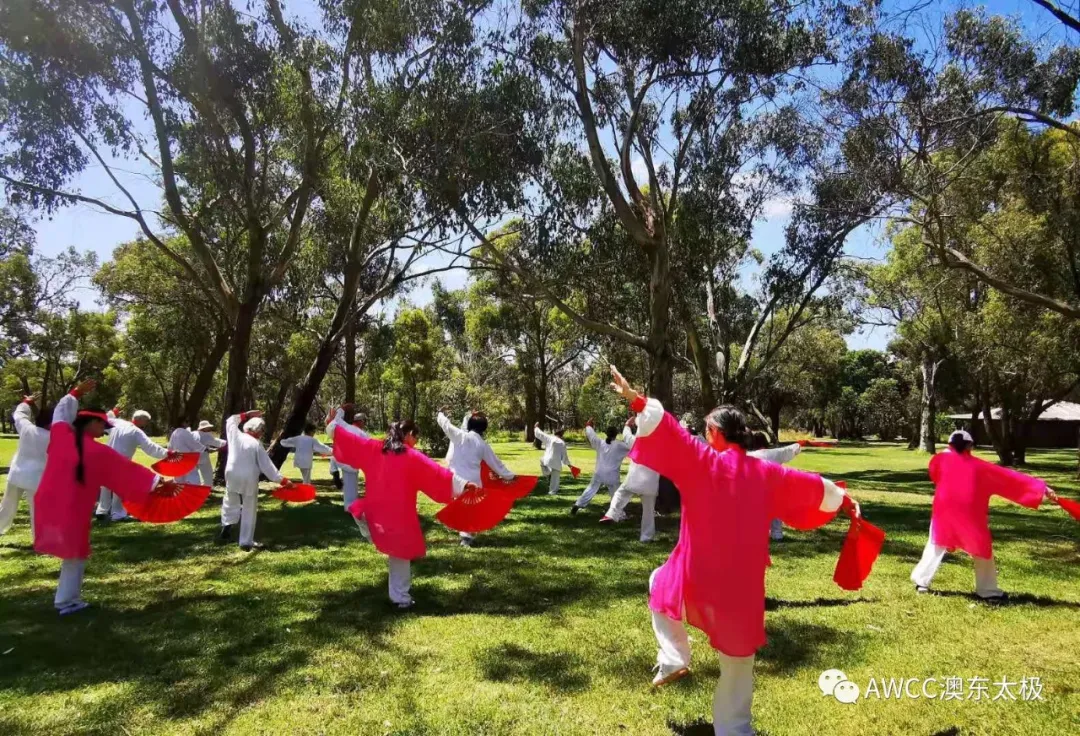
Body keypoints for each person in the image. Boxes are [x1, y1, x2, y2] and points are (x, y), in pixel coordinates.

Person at [607, 365, 856, 736]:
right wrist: (844, 500)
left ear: (715, 434)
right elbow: (814, 488)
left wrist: (636, 399)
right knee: (738, 662)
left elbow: (668, 430)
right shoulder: (768, 473)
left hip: (697, 574)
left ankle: (674, 657)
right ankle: (735, 729)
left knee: (660, 582)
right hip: (742, 584)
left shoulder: (701, 461)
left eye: (707, 430)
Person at [33, 379, 171, 614]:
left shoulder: (61, 434)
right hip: (73, 505)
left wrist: (74, 393)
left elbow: (60, 413)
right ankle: (67, 601)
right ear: (91, 423)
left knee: (71, 551)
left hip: (47, 500)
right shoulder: (97, 451)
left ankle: (66, 599)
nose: (104, 430)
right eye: (101, 425)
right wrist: (158, 482)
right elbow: (127, 471)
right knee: (75, 552)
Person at [329, 415, 477, 608]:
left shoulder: (374, 448)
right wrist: (464, 485)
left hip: (374, 514)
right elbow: (437, 474)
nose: (416, 441)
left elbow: (352, 441)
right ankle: (401, 599)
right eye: (415, 437)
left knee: (392, 548)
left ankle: (398, 593)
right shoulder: (410, 457)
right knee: (400, 554)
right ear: (407, 434)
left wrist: (332, 427)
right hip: (398, 517)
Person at [911, 430, 1055, 602]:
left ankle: (922, 582)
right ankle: (988, 591)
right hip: (970, 514)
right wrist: (1041, 488)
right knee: (981, 549)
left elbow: (935, 475)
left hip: (944, 510)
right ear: (968, 446)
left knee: (936, 543)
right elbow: (1009, 478)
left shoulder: (939, 459)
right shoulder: (979, 466)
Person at [438, 408, 515, 547]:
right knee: (469, 510)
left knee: (462, 508)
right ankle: (466, 535)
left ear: (469, 426)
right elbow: (496, 464)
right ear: (484, 429)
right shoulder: (483, 445)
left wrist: (440, 414)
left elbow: (446, 425)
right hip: (474, 483)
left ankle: (465, 534)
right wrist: (510, 476)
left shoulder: (460, 436)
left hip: (456, 481)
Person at [218, 410, 292, 551]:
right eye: (262, 432)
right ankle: (246, 541)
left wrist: (247, 414)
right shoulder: (255, 444)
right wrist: (283, 481)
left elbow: (230, 421)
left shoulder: (235, 435)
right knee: (249, 507)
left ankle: (226, 526)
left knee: (230, 499)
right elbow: (267, 467)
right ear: (259, 431)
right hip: (248, 476)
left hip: (231, 474)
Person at [96, 407, 171, 522]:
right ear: (141, 420)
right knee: (120, 487)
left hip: (106, 459)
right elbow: (150, 448)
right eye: (146, 421)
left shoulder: (118, 423)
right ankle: (118, 514)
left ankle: (102, 511)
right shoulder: (136, 431)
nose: (146, 424)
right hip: (121, 462)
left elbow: (106, 418)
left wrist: (113, 411)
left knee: (106, 485)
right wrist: (167, 454)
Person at [0, 394, 52, 541]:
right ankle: (40, 540)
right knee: (37, 511)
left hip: (17, 474)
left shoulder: (27, 428)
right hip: (36, 479)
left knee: (7, 505)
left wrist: (26, 403)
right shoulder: (54, 437)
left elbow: (19, 415)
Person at [599, 417, 659, 541]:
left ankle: (611, 514)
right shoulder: (661, 445)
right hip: (651, 483)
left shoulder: (636, 441)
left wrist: (627, 424)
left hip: (634, 479)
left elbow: (626, 436)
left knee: (620, 494)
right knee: (648, 511)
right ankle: (646, 537)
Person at [748, 432, 804, 541]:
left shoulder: (750, 455)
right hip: (774, 488)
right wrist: (799, 444)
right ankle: (777, 534)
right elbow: (794, 448)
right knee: (776, 512)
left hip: (756, 489)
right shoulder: (775, 453)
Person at [570, 421, 630, 515]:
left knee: (591, 489)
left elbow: (592, 436)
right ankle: (619, 514)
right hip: (612, 475)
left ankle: (578, 504)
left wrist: (588, 426)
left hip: (599, 473)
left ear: (606, 433)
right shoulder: (619, 445)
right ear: (616, 434)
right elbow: (632, 445)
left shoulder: (600, 443)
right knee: (615, 495)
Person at [325, 405, 368, 512]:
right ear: (361, 421)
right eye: (364, 421)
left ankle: (334, 471)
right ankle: (350, 508)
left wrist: (342, 408)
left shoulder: (345, 426)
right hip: (350, 463)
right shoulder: (362, 434)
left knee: (333, 457)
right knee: (351, 487)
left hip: (339, 458)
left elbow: (336, 419)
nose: (365, 424)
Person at [168, 416, 209, 485]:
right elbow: (193, 443)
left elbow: (169, 447)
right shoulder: (184, 432)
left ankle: (182, 495)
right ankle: (192, 493)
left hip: (177, 459)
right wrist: (204, 448)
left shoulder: (174, 432)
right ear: (182, 423)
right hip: (187, 459)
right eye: (187, 421)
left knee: (179, 480)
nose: (189, 423)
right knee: (193, 479)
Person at [534, 423, 572, 496]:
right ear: (562, 435)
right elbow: (564, 456)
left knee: (542, 461)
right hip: (556, 463)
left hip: (546, 460)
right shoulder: (562, 443)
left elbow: (540, 434)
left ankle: (548, 474)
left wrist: (536, 428)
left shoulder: (550, 437)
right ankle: (552, 491)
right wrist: (569, 465)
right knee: (555, 477)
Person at [196, 420, 226, 487]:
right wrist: (226, 443)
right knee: (208, 475)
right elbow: (216, 442)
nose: (209, 428)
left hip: (193, 457)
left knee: (193, 475)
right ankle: (206, 488)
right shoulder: (206, 435)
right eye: (208, 427)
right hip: (203, 458)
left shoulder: (194, 433)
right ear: (204, 428)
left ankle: (194, 488)